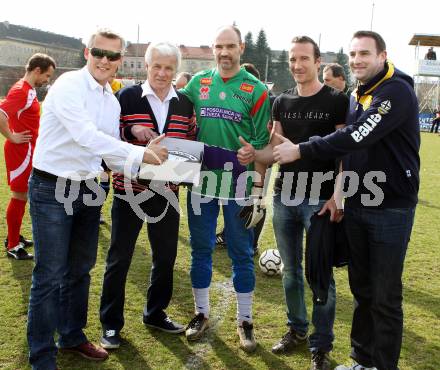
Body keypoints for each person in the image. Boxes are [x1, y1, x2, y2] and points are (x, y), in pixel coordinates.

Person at [271, 31, 420, 370]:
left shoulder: (395, 90)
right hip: (357, 203)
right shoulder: (357, 93)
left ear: (382, 55)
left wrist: (302, 149)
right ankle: (362, 361)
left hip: (390, 207)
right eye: (353, 54)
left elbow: (355, 136)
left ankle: (382, 366)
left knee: (385, 297)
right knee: (363, 292)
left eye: (365, 53)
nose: (357, 60)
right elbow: (351, 153)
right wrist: (340, 196)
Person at [27, 28, 168, 370]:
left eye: (113, 55)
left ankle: (72, 335)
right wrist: (140, 153)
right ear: (86, 51)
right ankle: (42, 356)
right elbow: (86, 137)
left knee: (80, 271)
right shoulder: (69, 85)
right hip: (52, 188)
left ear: (121, 60)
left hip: (90, 189)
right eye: (98, 53)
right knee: (49, 274)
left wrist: (155, 161)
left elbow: (109, 155)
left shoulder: (111, 100)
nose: (105, 60)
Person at [238, 36, 348, 370]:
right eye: (292, 59)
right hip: (284, 196)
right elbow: (273, 151)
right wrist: (256, 168)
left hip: (320, 199)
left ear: (318, 61)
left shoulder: (337, 101)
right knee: (290, 274)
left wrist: (337, 194)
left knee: (321, 277)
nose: (297, 65)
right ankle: (297, 330)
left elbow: (345, 151)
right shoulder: (281, 102)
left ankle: (321, 345)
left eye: (304, 59)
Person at [99, 42, 196, 349]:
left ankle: (155, 312)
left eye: (169, 67)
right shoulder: (125, 98)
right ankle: (110, 324)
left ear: (176, 70)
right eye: (157, 66)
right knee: (119, 257)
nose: (163, 73)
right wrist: (136, 139)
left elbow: (191, 144)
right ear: (146, 64)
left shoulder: (185, 103)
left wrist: (184, 165)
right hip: (130, 192)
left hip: (167, 193)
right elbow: (107, 143)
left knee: (166, 257)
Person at [180, 25, 271, 352]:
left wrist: (255, 161)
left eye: (230, 46)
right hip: (202, 182)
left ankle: (245, 321)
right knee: (201, 249)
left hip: (239, 184)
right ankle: (200, 313)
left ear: (241, 47)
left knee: (241, 254)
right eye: (219, 46)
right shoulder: (197, 82)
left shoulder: (256, 89)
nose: (224, 53)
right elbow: (175, 106)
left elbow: (263, 143)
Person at [0, 53, 55, 260]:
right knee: (19, 195)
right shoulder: (21, 91)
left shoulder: (28, 90)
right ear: (37, 70)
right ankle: (13, 245)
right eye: (47, 76)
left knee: (23, 195)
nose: (47, 81)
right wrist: (12, 137)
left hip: (29, 149)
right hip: (20, 151)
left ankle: (14, 237)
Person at [215, 62, 268, 255]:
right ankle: (228, 235)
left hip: (258, 161)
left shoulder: (261, 97)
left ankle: (251, 244)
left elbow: (265, 134)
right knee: (235, 202)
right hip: (239, 163)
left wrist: (256, 150)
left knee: (256, 202)